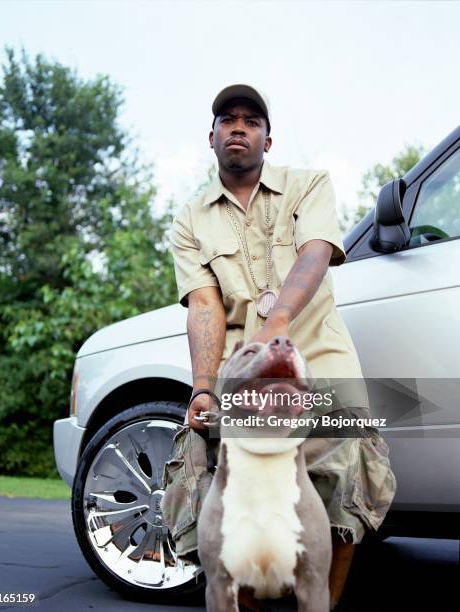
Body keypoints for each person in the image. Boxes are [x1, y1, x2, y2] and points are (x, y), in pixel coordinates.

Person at [164, 84, 396, 612]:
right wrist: (203, 386)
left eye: (251, 120)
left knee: (345, 472)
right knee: (203, 470)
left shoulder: (309, 185)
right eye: (228, 120)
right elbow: (204, 305)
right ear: (212, 137)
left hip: (316, 356)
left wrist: (281, 319)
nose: (239, 127)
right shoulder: (191, 217)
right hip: (242, 373)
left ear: (268, 139)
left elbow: (315, 253)